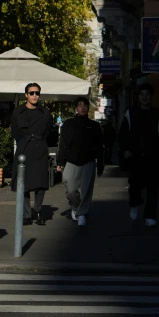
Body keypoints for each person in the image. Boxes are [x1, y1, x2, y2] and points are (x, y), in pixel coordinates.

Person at [118, 82, 159, 227]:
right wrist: (125, 149)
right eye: (142, 95)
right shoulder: (131, 113)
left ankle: (150, 216)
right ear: (138, 97)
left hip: (153, 157)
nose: (144, 97)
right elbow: (123, 134)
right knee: (135, 186)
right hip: (135, 158)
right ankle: (134, 204)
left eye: (147, 94)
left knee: (153, 189)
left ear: (151, 97)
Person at [56, 96, 104, 226]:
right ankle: (76, 207)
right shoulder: (69, 124)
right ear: (76, 108)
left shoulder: (94, 126)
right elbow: (63, 144)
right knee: (70, 189)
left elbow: (100, 146)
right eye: (80, 105)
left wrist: (100, 164)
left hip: (89, 161)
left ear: (88, 108)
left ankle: (82, 213)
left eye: (85, 105)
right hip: (72, 161)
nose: (83, 108)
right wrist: (60, 162)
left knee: (86, 189)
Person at [11, 83, 52, 226]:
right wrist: (24, 143)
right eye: (32, 93)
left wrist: (39, 142)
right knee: (24, 182)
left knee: (41, 183)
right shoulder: (18, 112)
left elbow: (48, 131)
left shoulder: (45, 113)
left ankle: (38, 210)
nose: (35, 96)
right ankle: (27, 214)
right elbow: (14, 132)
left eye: (37, 93)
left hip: (40, 147)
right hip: (24, 148)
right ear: (26, 95)